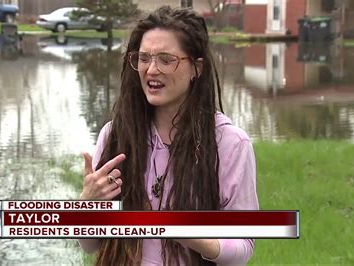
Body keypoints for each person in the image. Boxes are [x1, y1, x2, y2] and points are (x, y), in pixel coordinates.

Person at [78, 6, 259, 265]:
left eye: (166, 59)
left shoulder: (230, 144)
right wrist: (87, 204)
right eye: (143, 58)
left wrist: (193, 237)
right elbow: (90, 244)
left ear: (197, 68)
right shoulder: (115, 135)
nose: (151, 70)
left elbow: (243, 247)